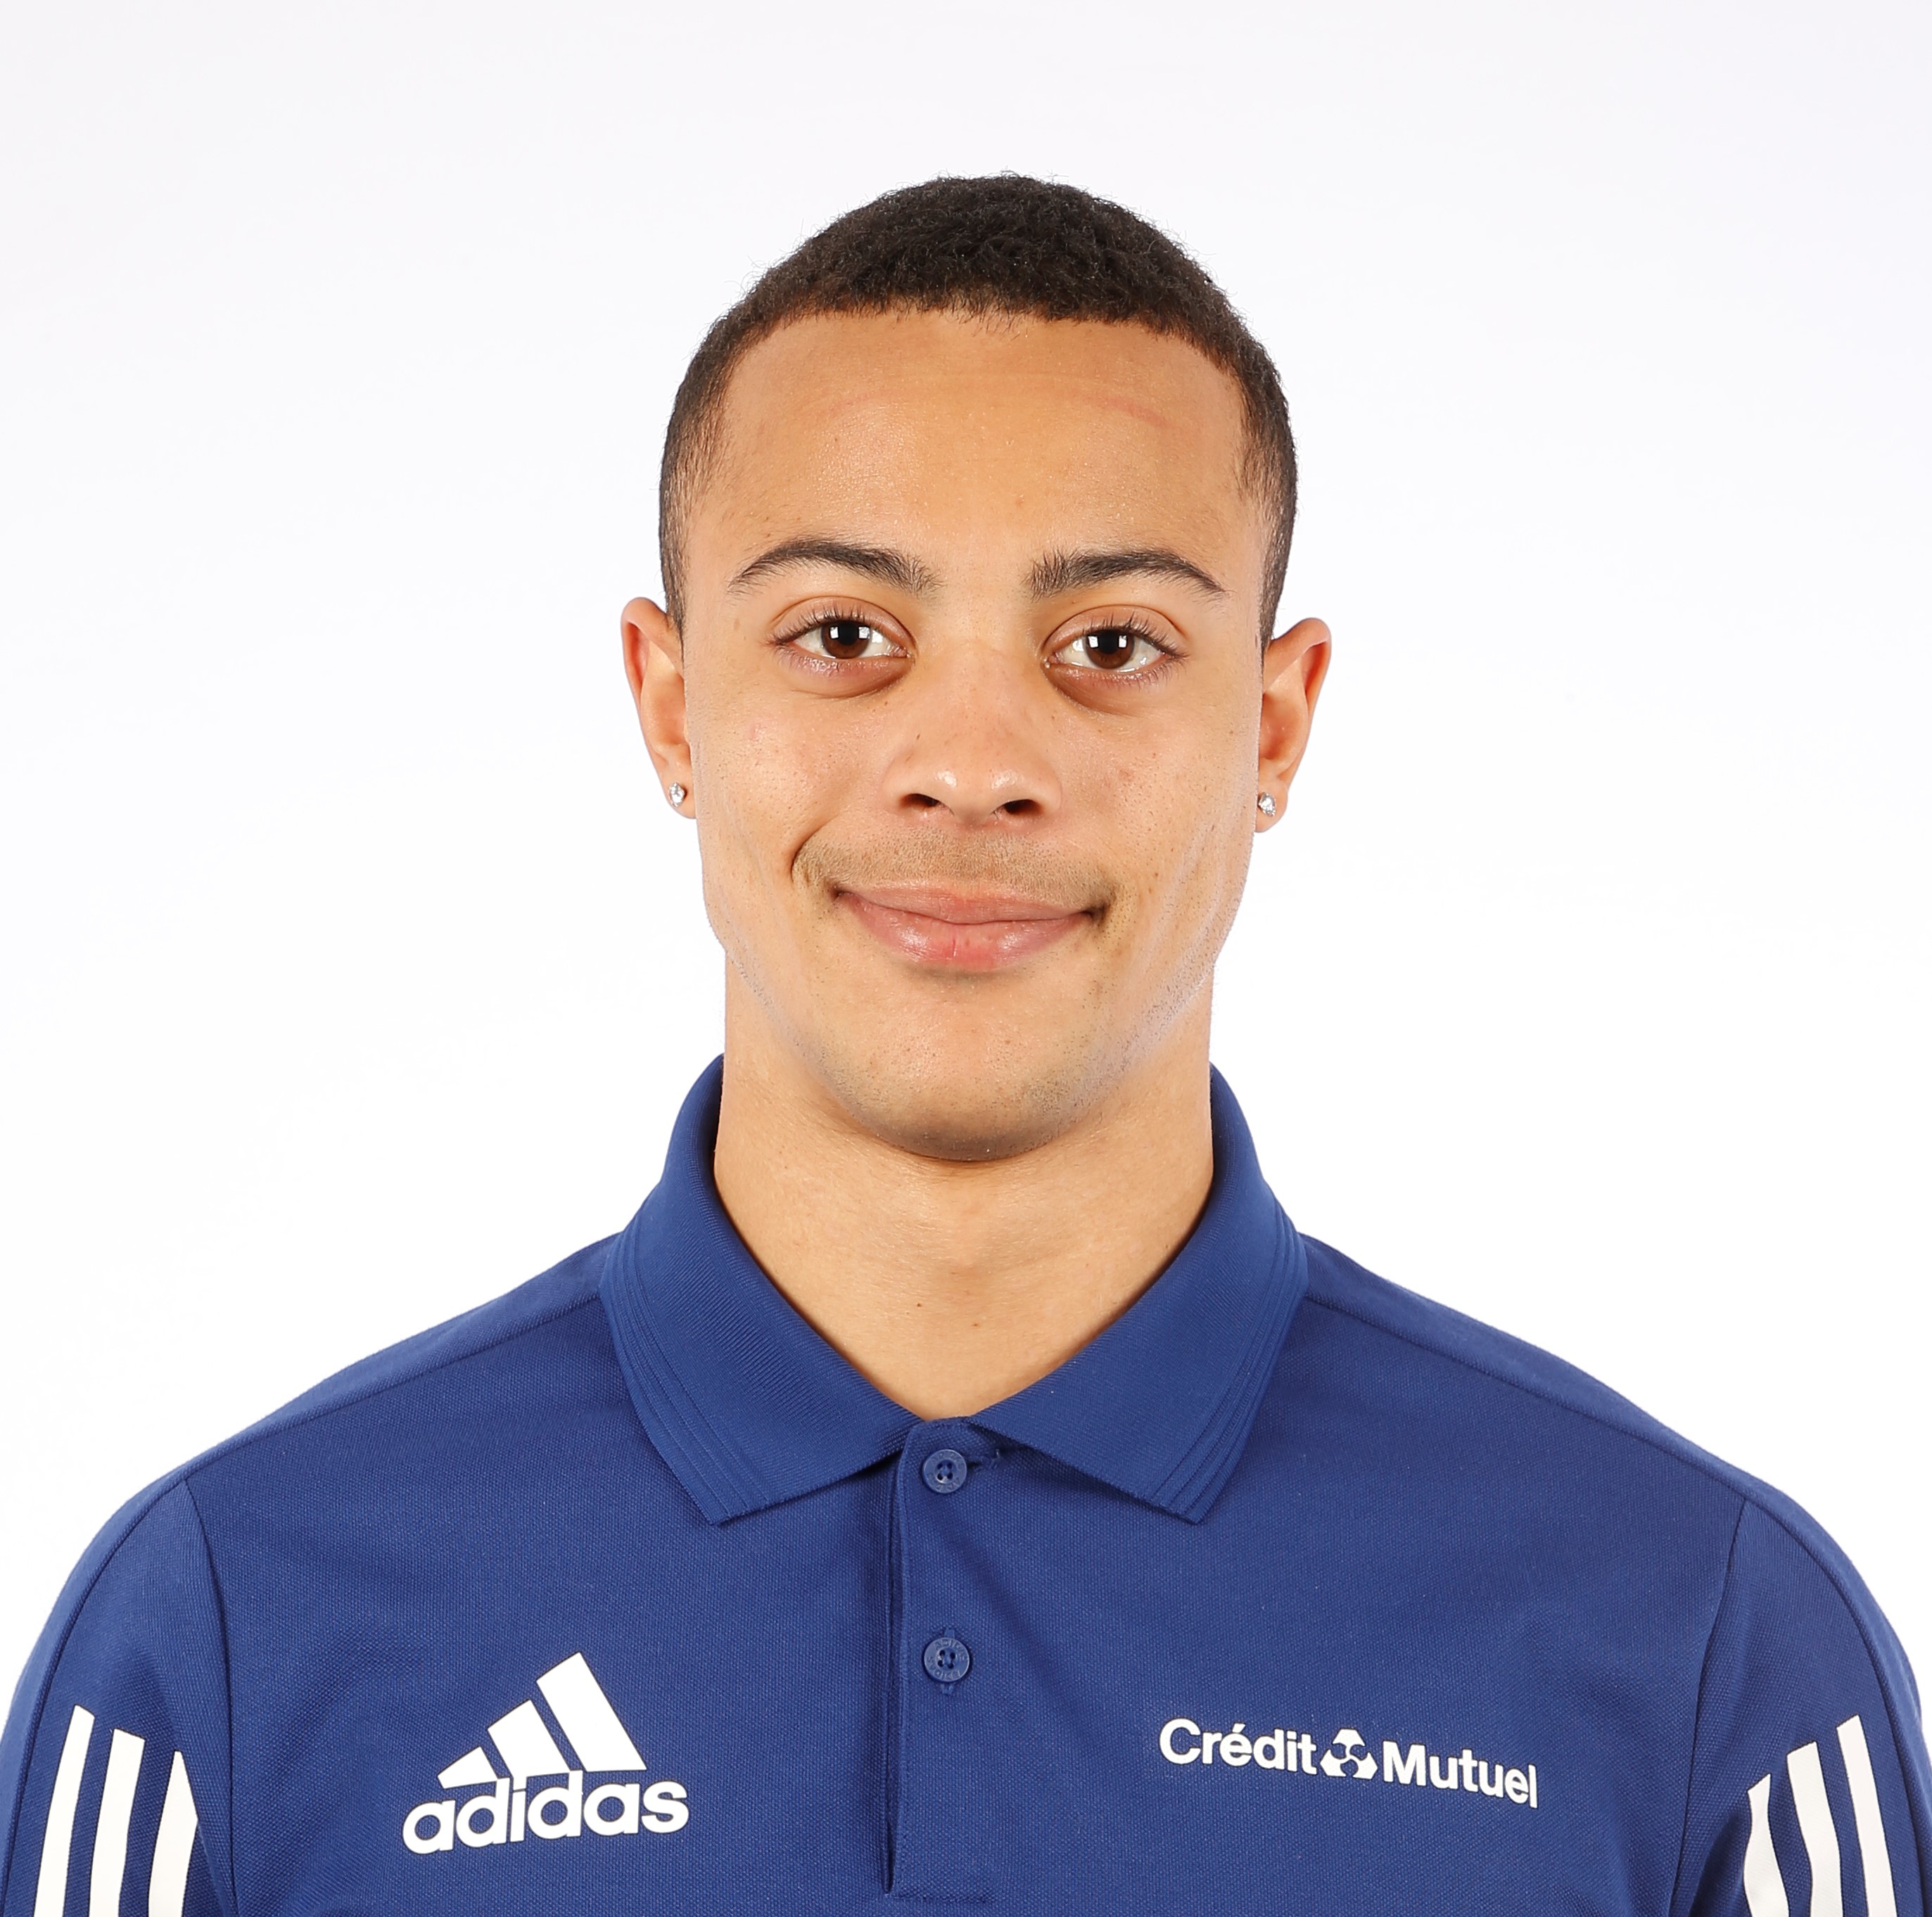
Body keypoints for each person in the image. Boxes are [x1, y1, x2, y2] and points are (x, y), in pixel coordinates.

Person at [1, 175, 1923, 1917]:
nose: (973, 766)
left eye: (1111, 646)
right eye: (844, 636)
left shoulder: (1703, 1643)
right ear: (670, 706)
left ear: (1273, 726)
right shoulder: (228, 1629)